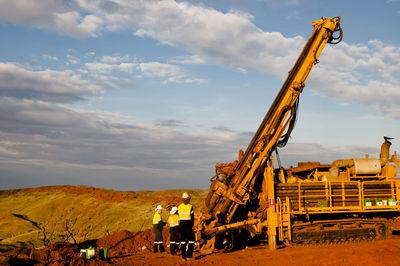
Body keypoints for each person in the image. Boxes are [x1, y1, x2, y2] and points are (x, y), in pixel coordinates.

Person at [178, 192, 195, 261]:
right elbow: (192, 217)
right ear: (188, 199)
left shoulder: (179, 206)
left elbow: (179, 216)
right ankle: (189, 256)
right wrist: (192, 226)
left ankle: (183, 257)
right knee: (191, 241)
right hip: (188, 225)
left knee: (183, 241)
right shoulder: (190, 206)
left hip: (181, 225)